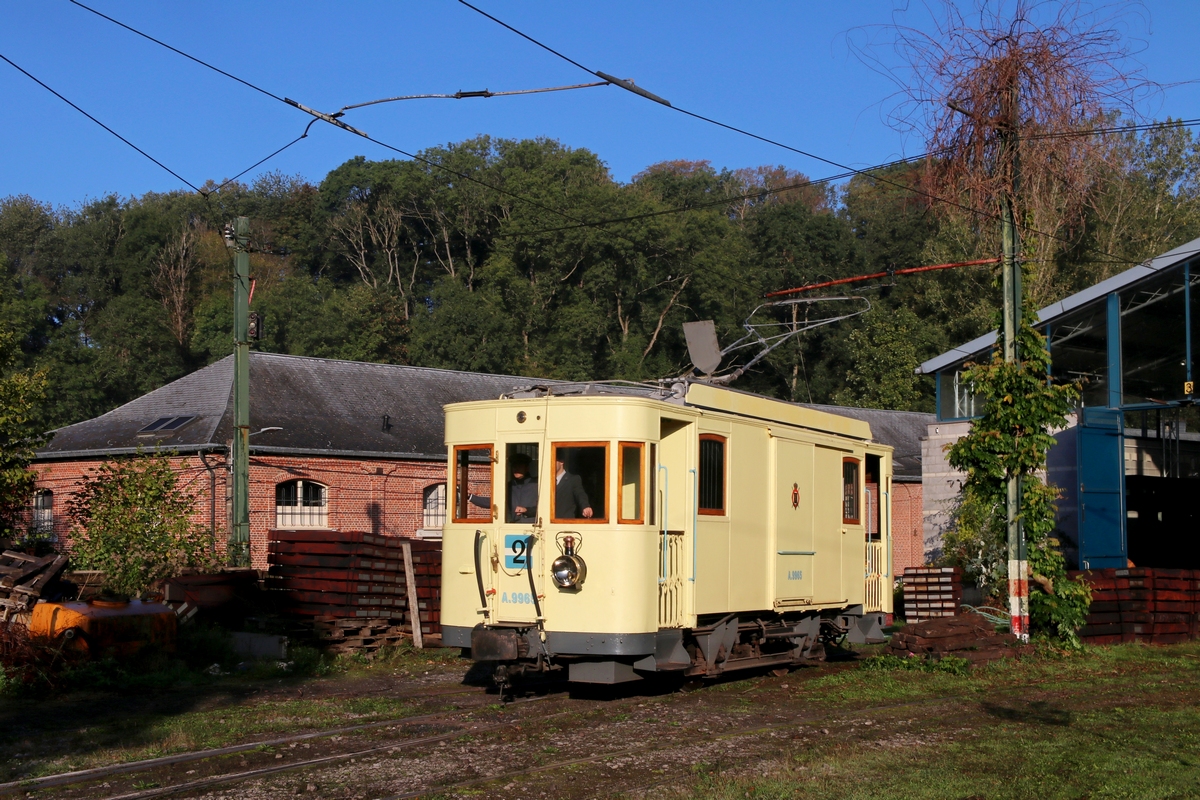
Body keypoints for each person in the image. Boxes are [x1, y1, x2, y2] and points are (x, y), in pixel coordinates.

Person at [469, 452, 538, 523]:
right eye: (514, 466)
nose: (516, 469)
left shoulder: (536, 485)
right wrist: (470, 496)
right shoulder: (509, 486)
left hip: (533, 528)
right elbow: (493, 502)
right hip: (513, 527)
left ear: (526, 468)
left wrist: (526, 510)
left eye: (519, 466)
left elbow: (545, 508)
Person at [554, 454, 593, 519]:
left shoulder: (573, 479)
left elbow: (580, 494)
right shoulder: (546, 481)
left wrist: (585, 506)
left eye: (553, 460)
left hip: (565, 524)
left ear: (561, 462)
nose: (550, 463)